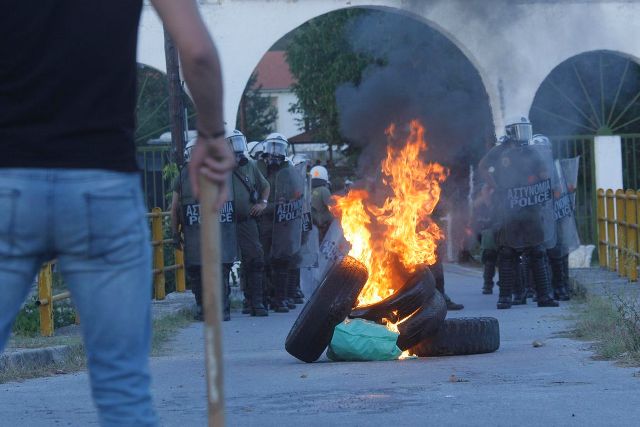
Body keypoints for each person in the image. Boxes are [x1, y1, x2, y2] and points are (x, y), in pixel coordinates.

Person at [0, 1, 234, 425]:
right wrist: (212, 133)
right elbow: (197, 52)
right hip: (102, 184)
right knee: (123, 391)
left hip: (7, 181)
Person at [478, 116, 559, 309]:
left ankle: (544, 296)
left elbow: (544, 174)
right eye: (520, 129)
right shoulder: (500, 151)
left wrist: (543, 186)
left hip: (530, 208)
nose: (523, 133)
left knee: (538, 251)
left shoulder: (532, 151)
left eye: (526, 129)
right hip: (507, 207)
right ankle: (505, 297)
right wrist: (495, 186)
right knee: (507, 252)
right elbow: (483, 167)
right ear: (511, 131)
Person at [258, 133, 304, 312]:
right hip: (265, 222)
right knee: (264, 261)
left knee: (282, 261)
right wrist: (271, 206)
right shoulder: (259, 170)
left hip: (283, 223)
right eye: (272, 147)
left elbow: (299, 195)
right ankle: (265, 297)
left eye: (279, 148)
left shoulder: (290, 172)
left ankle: (281, 298)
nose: (275, 153)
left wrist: (290, 202)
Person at [226, 130, 270, 316]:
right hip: (224, 222)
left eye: (238, 143)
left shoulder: (250, 166)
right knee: (223, 263)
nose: (237, 149)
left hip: (246, 221)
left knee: (255, 259)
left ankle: (255, 302)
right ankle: (222, 306)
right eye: (232, 144)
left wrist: (263, 203)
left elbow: (265, 186)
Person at [171, 139, 206, 320]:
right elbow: (175, 208)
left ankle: (208, 307)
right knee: (197, 270)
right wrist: (175, 233)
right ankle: (204, 306)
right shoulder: (182, 177)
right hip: (194, 232)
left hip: (208, 232)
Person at [473, 183, 498, 295]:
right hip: (488, 234)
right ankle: (488, 284)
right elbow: (476, 223)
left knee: (504, 258)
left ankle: (500, 283)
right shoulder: (479, 206)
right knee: (489, 257)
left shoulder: (498, 203)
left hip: (500, 232)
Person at [310, 165, 334, 242]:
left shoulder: (307, 189)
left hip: (311, 227)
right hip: (323, 229)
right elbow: (333, 207)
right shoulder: (324, 190)